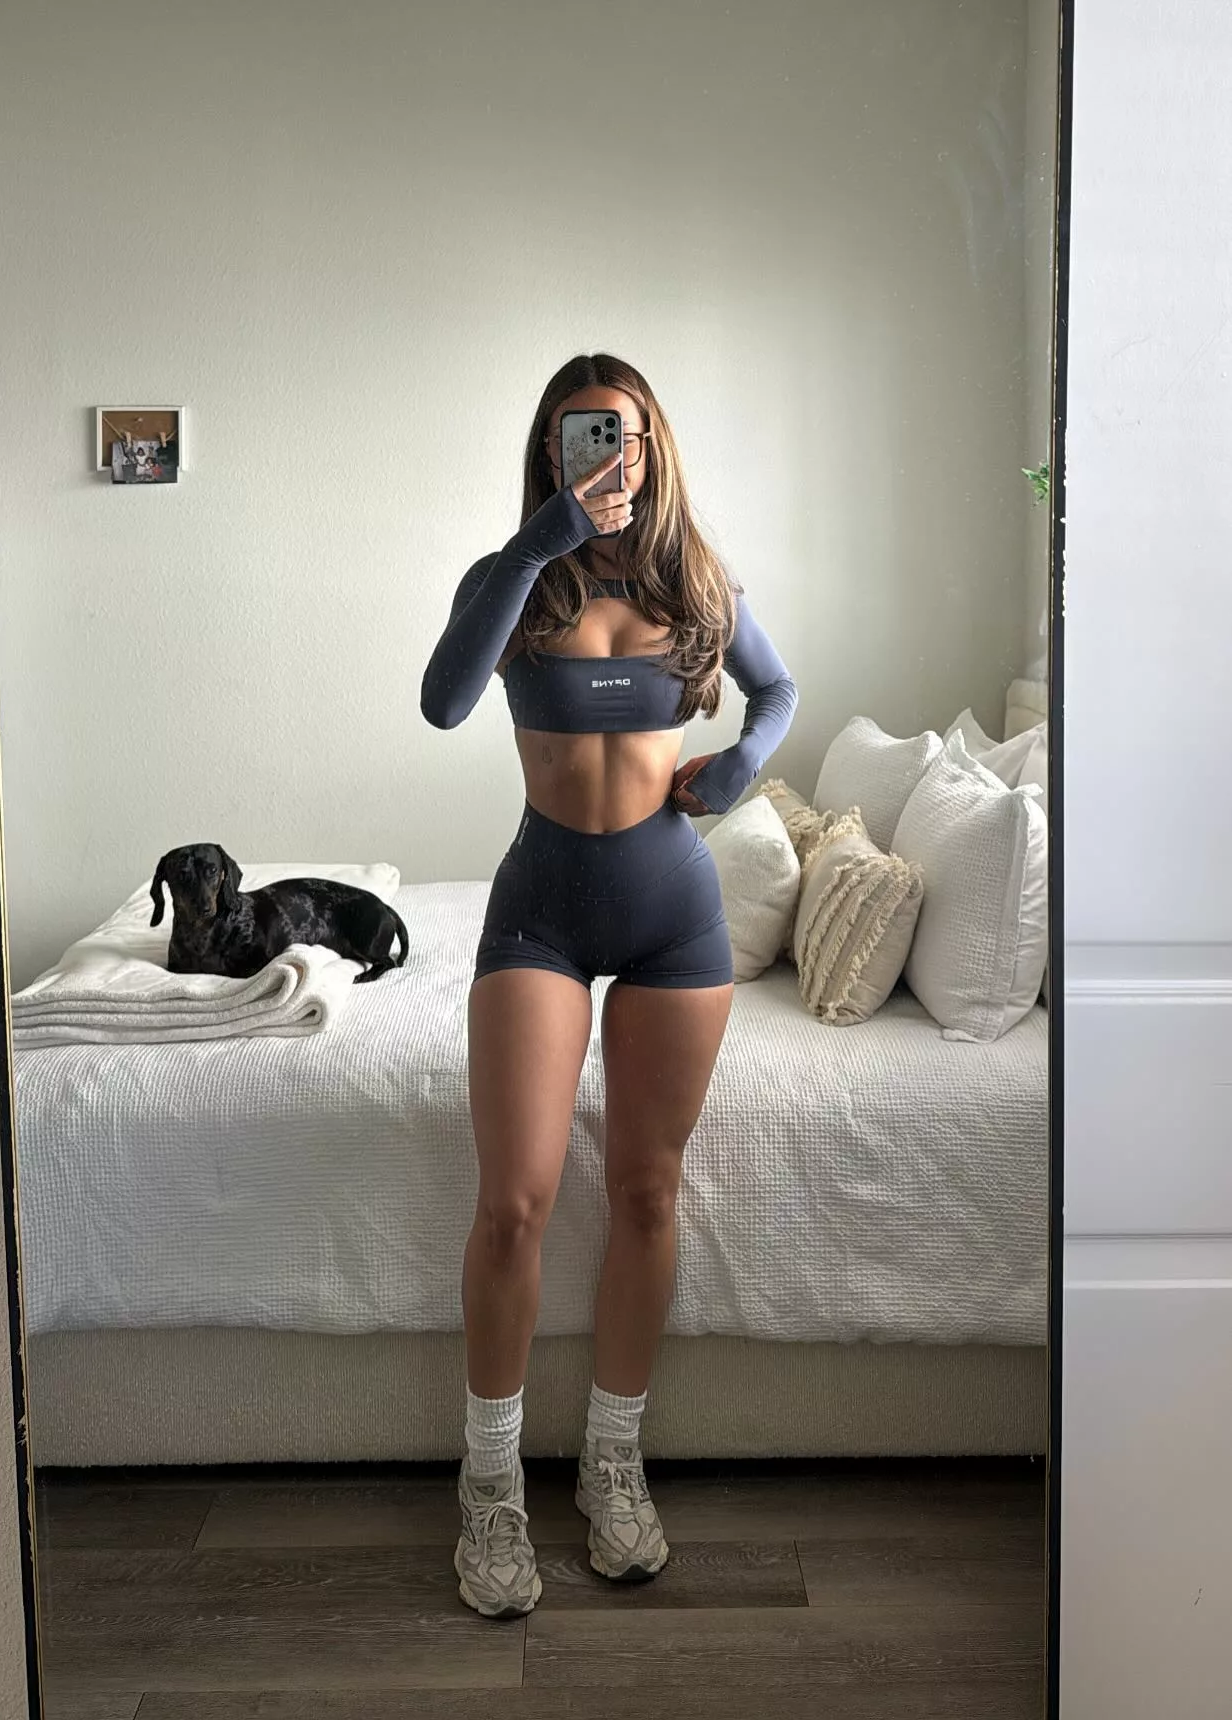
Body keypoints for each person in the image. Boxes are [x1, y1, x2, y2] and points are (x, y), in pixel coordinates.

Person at [420, 353, 797, 1619]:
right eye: (579, 433)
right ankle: (489, 1487)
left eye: (620, 432)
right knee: (514, 1202)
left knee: (646, 1190)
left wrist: (743, 762)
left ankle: (612, 1463)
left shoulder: (696, 579)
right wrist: (543, 539)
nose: (602, 452)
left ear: (651, 442)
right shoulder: (514, 577)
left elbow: (779, 687)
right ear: (552, 448)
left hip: (672, 916)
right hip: (541, 909)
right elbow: (442, 704)